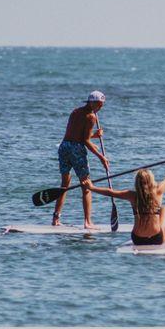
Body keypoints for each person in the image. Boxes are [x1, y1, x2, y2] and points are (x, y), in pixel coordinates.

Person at [82, 145, 165, 244]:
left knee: (161, 210)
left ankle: (162, 236)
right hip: (156, 238)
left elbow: (110, 192)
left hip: (137, 239)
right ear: (151, 180)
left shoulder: (131, 195)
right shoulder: (158, 190)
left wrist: (91, 187)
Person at [52, 90, 110, 228]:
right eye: (99, 104)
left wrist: (94, 135)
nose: (101, 107)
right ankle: (88, 222)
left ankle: (55, 219)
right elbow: (84, 141)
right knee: (86, 185)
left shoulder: (75, 111)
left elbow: (76, 135)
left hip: (64, 146)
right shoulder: (91, 117)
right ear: (92, 102)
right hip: (76, 150)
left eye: (102, 105)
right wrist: (101, 157)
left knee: (64, 185)